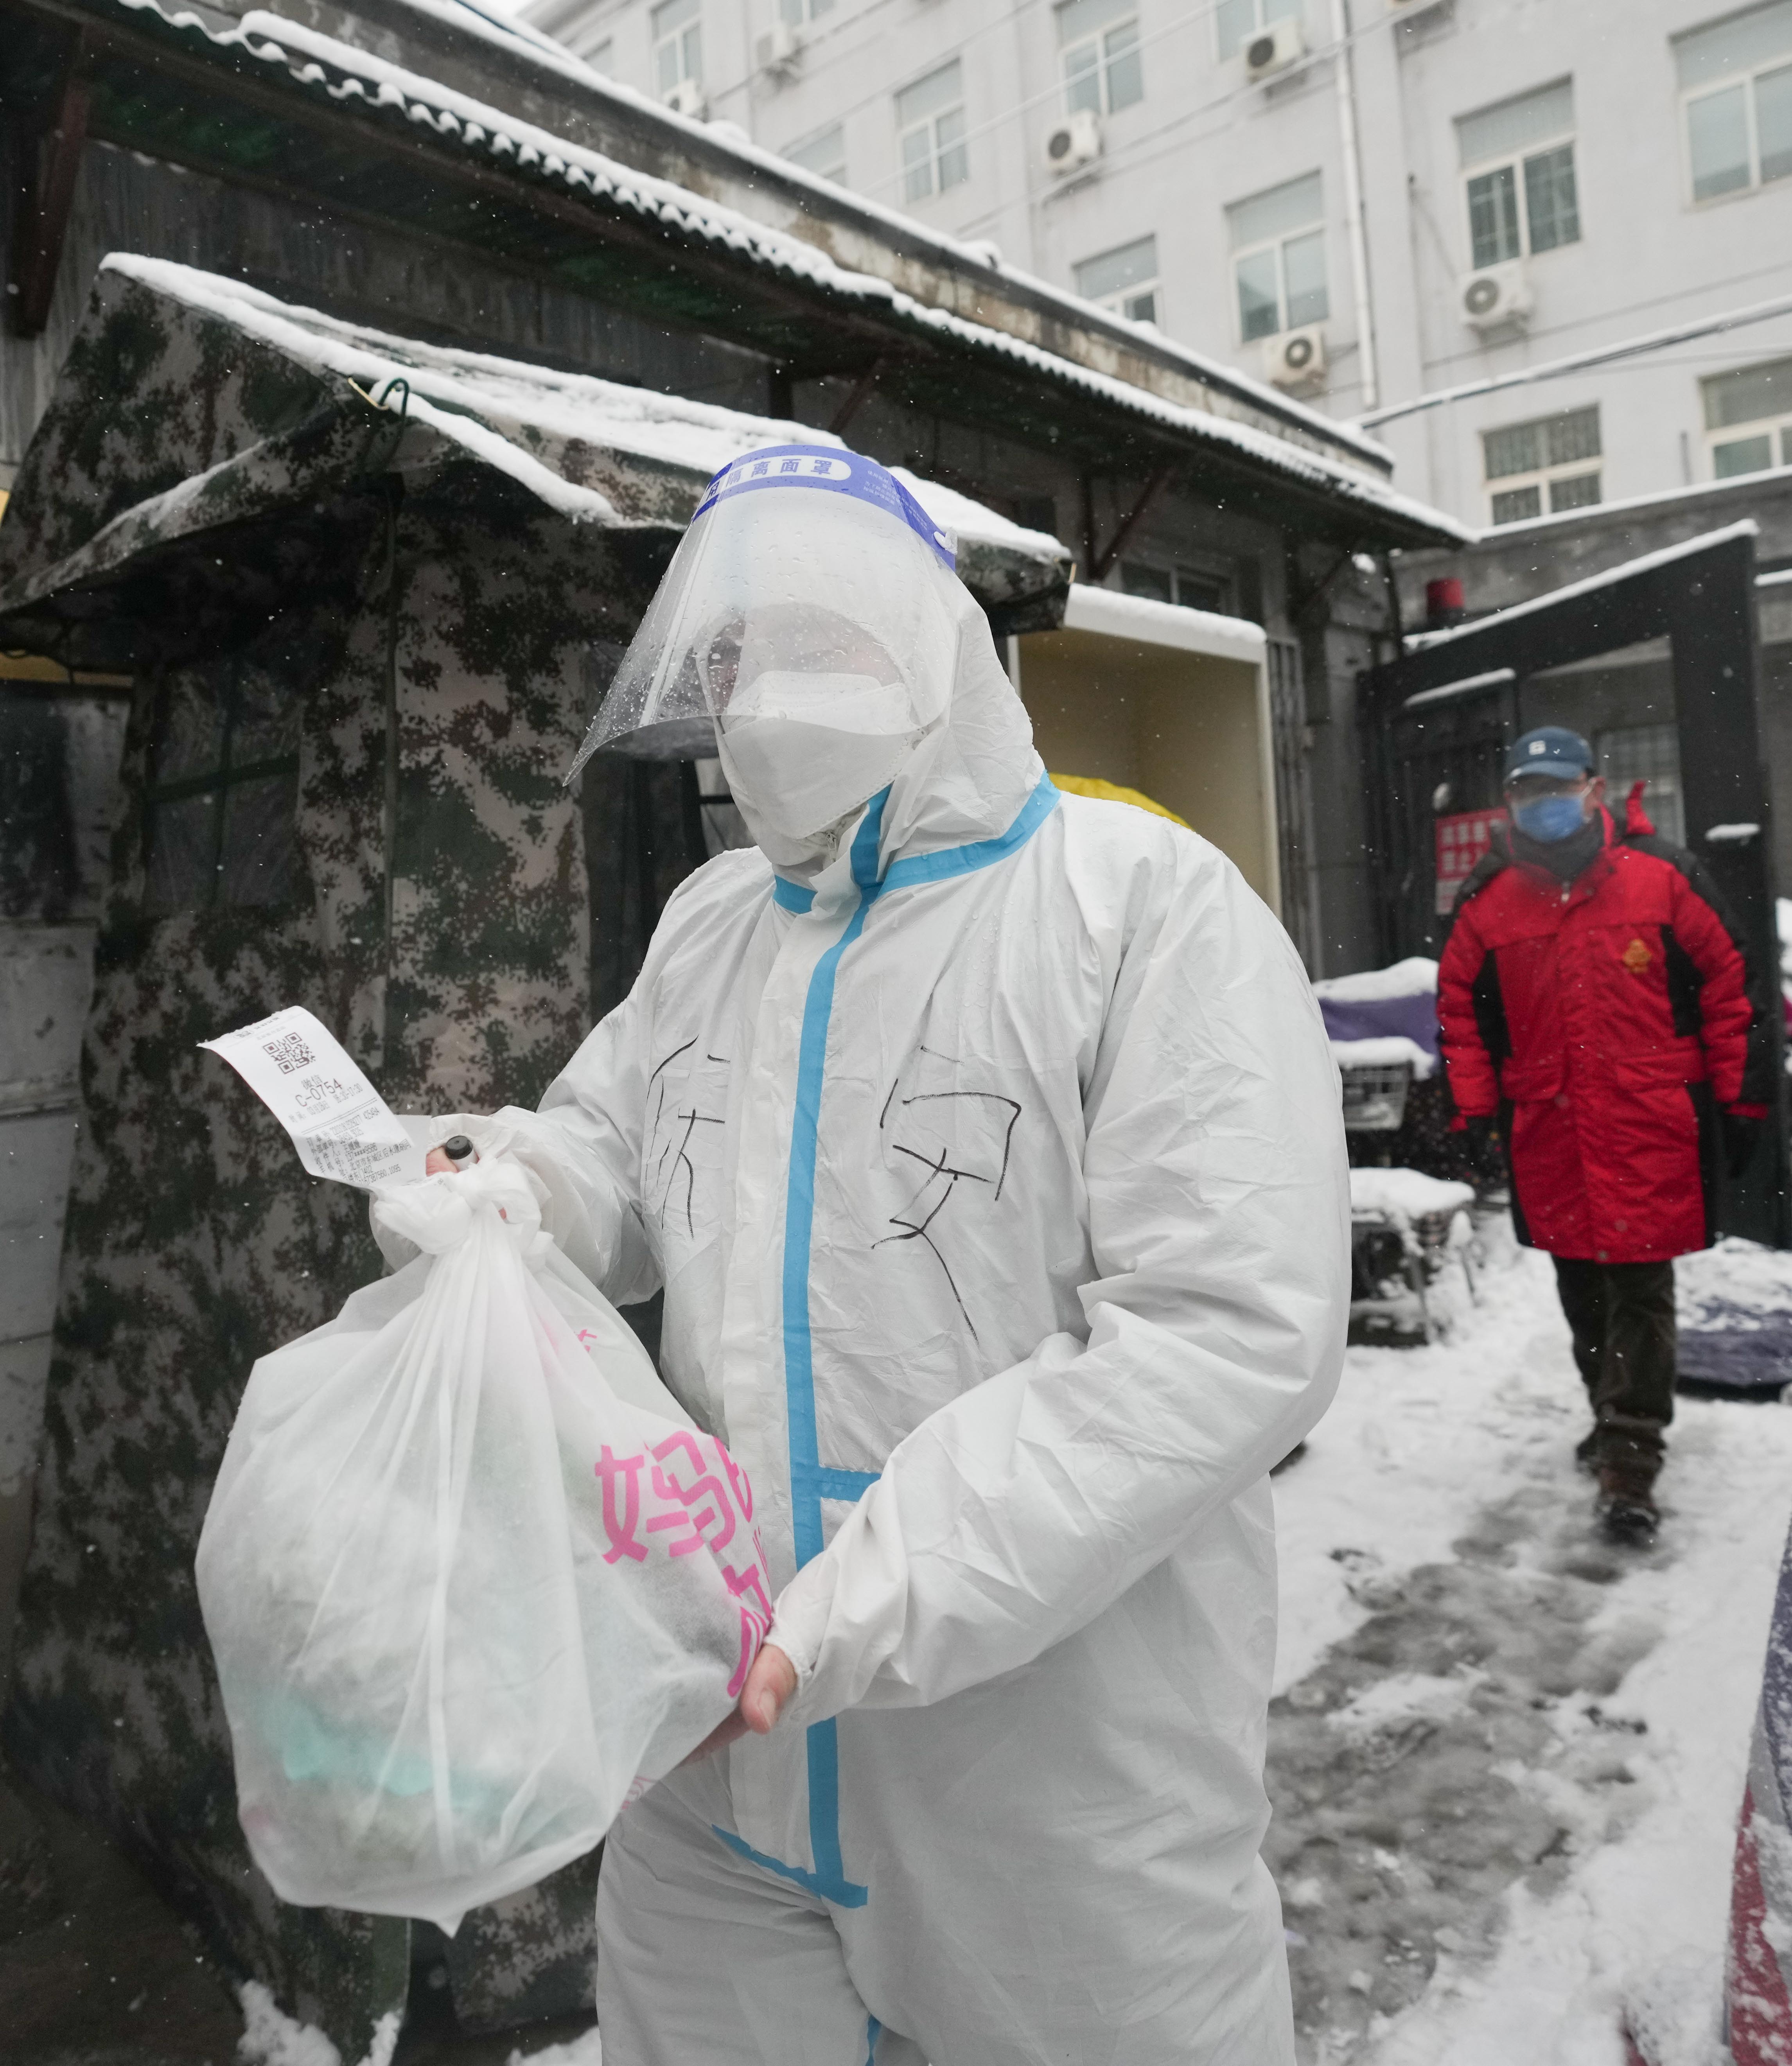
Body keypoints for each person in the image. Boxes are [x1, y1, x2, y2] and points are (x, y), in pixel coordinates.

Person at [418, 446, 1347, 2065]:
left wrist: (879, 1585)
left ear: (935, 658)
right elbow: (621, 1151)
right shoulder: (714, 923)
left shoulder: (1138, 909)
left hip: (1048, 1777)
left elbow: (1220, 1330)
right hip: (712, 1737)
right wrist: (509, 1189)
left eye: (820, 646)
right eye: (732, 661)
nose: (765, 700)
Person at [1434, 727, 1756, 1545]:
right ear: (1510, 803)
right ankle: (1611, 1414)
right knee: (1583, 1290)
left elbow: (1728, 988)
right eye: (1526, 790)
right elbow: (1463, 1019)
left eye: (1558, 785)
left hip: (1649, 1125)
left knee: (1640, 1290)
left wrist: (1740, 1097)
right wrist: (1472, 1113)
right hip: (1551, 1130)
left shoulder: (1665, 879)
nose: (1544, 802)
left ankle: (1631, 1456)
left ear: (1595, 788)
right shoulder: (1489, 901)